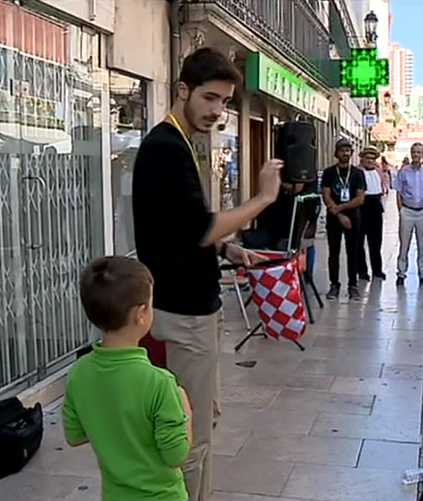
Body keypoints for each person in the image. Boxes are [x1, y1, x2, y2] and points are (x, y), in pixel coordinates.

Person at [131, 47, 281, 501]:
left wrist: (228, 248)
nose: (218, 111)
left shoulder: (179, 143)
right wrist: (263, 199)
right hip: (183, 314)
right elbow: (198, 228)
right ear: (183, 90)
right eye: (210, 98)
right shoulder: (166, 147)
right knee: (188, 437)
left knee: (203, 421)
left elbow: (178, 225)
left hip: (193, 308)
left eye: (224, 102)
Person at [63, 256, 192, 501]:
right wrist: (186, 411)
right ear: (141, 313)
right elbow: (176, 456)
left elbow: (75, 436)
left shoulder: (79, 373)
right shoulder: (160, 382)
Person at [321, 139, 367, 300]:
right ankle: (334, 285)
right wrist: (339, 215)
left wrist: (340, 208)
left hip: (353, 217)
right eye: (342, 150)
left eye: (348, 150)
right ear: (336, 152)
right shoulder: (329, 173)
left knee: (353, 252)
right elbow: (326, 195)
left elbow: (360, 199)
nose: (345, 153)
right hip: (334, 218)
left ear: (352, 153)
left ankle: (352, 285)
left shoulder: (357, 173)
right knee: (333, 252)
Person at [394, 142, 423, 286]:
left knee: (422, 245)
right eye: (414, 152)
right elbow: (398, 192)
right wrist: (401, 210)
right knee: (404, 244)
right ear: (411, 154)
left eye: (419, 152)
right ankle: (401, 273)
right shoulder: (404, 171)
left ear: (422, 154)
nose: (416, 155)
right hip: (408, 210)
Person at [358, 145, 389, 281]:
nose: (370, 161)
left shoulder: (378, 171)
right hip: (362, 206)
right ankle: (362, 271)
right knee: (359, 242)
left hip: (376, 205)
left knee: (376, 241)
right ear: (362, 159)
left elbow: (383, 188)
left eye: (372, 158)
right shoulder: (358, 172)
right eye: (367, 158)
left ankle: (377, 269)